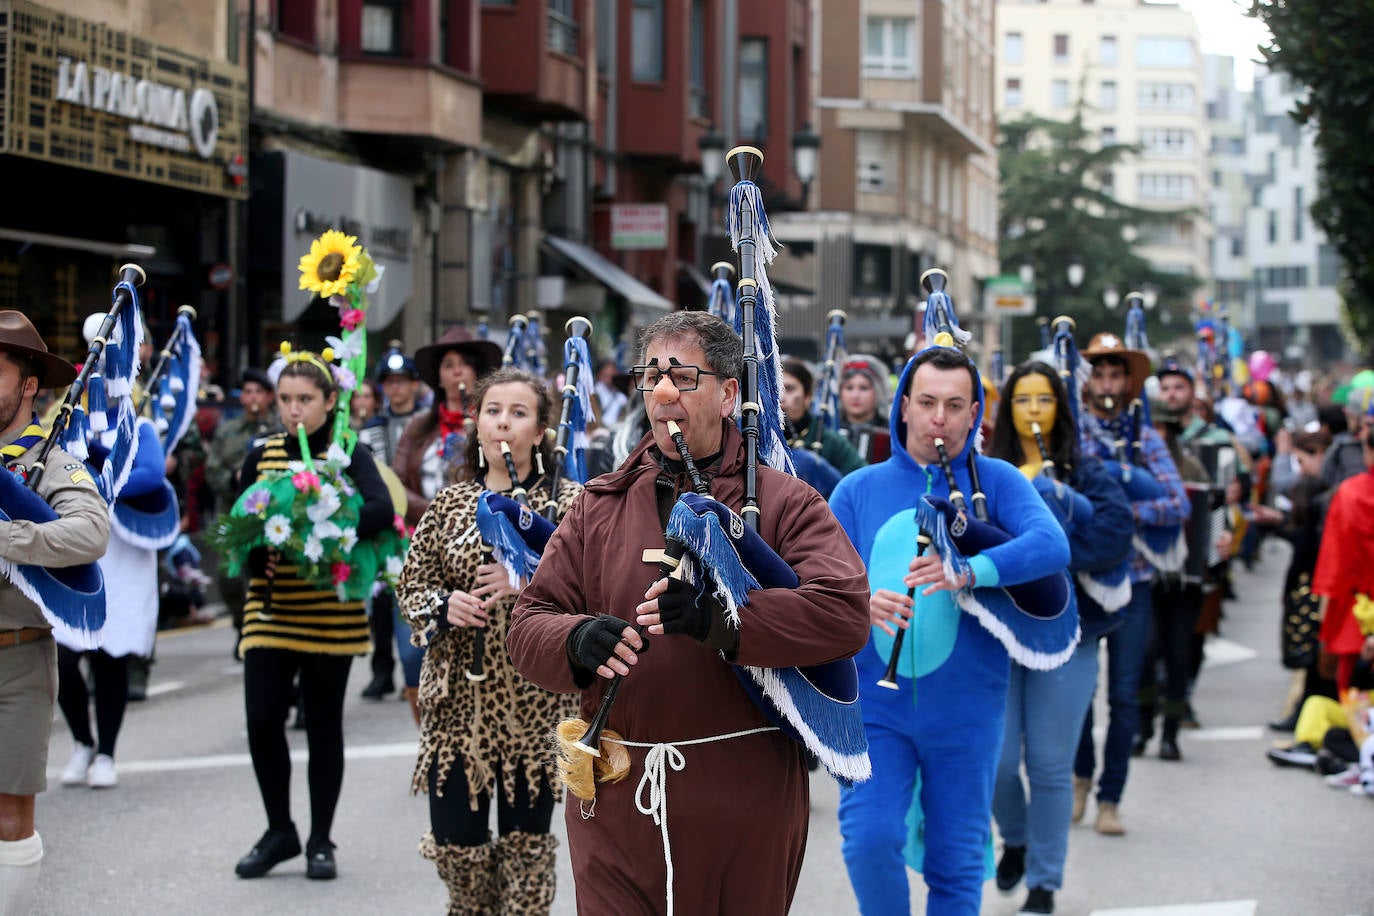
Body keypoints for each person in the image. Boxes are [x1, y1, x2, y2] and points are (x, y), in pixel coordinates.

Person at [508, 311, 871, 914]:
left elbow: (843, 613)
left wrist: (726, 622)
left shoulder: (782, 502)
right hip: (617, 799)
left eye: (683, 375)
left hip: (743, 804)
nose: (664, 392)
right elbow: (528, 624)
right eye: (651, 376)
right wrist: (575, 640)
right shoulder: (599, 507)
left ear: (730, 394)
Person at [830, 346, 1073, 916]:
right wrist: (859, 601)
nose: (940, 418)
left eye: (955, 405)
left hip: (967, 705)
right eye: (928, 402)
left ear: (974, 414)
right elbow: (814, 580)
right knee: (868, 840)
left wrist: (972, 569)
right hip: (873, 707)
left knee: (957, 858)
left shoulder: (997, 480)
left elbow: (1052, 545)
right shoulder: (858, 489)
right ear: (905, 408)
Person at [397, 368, 581, 914]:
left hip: (535, 706)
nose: (504, 422)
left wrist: (524, 581)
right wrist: (444, 605)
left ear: (542, 429)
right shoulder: (450, 503)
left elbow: (592, 593)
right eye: (493, 410)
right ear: (475, 423)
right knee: (459, 853)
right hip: (458, 707)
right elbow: (412, 586)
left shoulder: (567, 505)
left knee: (526, 860)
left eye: (519, 412)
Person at [229, 350, 393, 881]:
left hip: (331, 617)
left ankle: (321, 838)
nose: (293, 411)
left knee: (323, 728)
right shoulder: (262, 453)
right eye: (285, 400)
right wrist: (260, 545)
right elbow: (240, 523)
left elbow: (379, 510)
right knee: (261, 720)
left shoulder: (348, 452)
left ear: (329, 401)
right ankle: (280, 830)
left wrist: (327, 517)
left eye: (305, 400)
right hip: (271, 610)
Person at [986, 361, 1133, 915]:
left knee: (1050, 764)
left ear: (1060, 408)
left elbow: (1116, 532)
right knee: (996, 764)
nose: (1031, 411)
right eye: (1021, 400)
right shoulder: (988, 471)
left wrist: (1051, 560)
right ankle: (1017, 839)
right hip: (998, 631)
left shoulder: (1086, 469)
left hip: (1071, 632)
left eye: (1043, 400)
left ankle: (1045, 880)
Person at [0, 311, 110, 916]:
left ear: (28, 385)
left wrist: (7, 538)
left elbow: (90, 535)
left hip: (14, 656)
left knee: (10, 813)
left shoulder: (49, 459)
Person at [1073, 333, 1189, 836]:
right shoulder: (1072, 435)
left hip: (1135, 580)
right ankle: (1079, 775)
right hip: (1081, 577)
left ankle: (1110, 798)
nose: (1107, 383)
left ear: (1127, 383)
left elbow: (1177, 503)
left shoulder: (1146, 438)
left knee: (1124, 693)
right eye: (1099, 373)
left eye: (1116, 374)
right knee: (1077, 688)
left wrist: (1123, 513)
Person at [56, 409, 173, 788]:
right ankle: (81, 742)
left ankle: (106, 752)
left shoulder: (139, 428)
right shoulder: (69, 425)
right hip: (78, 549)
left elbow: (152, 474)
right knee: (62, 658)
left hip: (123, 556)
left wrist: (97, 480)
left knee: (109, 657)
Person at [356, 345, 425, 703]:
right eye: (389, 382)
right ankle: (382, 670)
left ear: (415, 385)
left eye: (402, 381)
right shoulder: (372, 431)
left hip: (423, 523)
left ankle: (414, 673)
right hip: (388, 529)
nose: (396, 389)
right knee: (381, 599)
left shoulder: (428, 424)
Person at [205, 368, 283, 646]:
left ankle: (263, 631)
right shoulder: (228, 431)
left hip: (272, 516)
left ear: (270, 396)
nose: (253, 397)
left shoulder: (278, 428)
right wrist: (233, 479)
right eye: (248, 391)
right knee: (229, 577)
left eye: (258, 392)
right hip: (235, 511)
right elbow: (212, 469)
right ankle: (243, 624)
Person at [395, 328, 503, 528]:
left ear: (477, 374)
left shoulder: (493, 425)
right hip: (422, 531)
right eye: (448, 365)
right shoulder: (417, 426)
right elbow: (396, 483)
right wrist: (435, 512)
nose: (457, 372)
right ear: (439, 378)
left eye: (464, 364)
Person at [1311, 425, 1374, 696]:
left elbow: (1334, 562)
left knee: (1353, 695)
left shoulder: (1349, 493)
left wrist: (1325, 616)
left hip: (1356, 610)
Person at [780, 358, 866, 477]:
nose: (781, 398)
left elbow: (861, 482)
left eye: (788, 389)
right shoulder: (755, 439)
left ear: (808, 397)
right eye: (775, 389)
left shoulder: (831, 442)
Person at [838, 355, 892, 463]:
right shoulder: (828, 430)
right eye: (849, 388)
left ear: (878, 391)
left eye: (864, 388)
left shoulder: (892, 433)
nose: (855, 395)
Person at [592, 357, 628, 427]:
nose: (610, 378)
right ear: (600, 375)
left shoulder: (621, 395)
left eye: (613, 374)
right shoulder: (594, 393)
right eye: (607, 375)